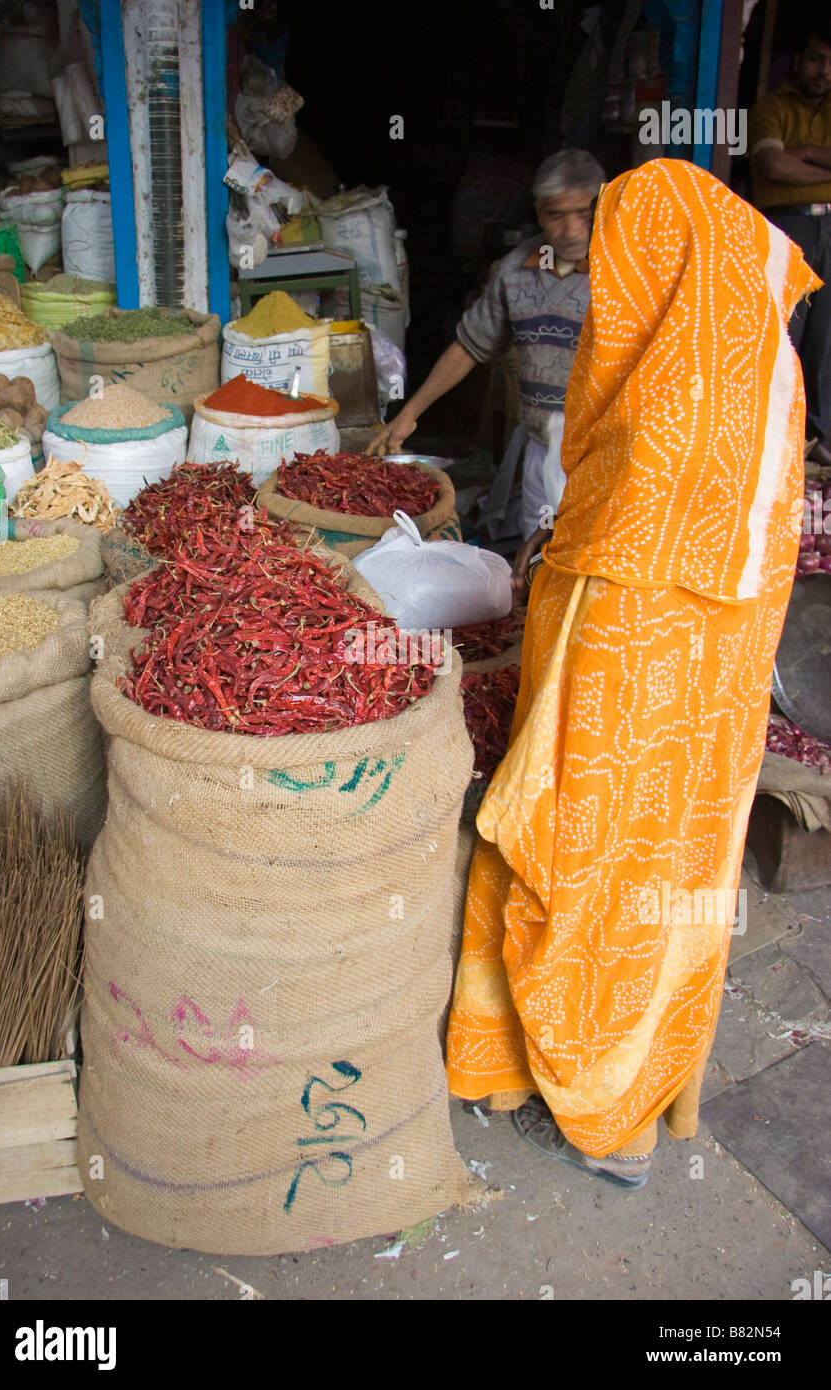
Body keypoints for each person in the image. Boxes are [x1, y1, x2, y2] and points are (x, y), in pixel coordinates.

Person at [446, 158, 820, 1189]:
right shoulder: (757, 381)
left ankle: (592, 1109)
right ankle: (647, 1088)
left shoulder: (660, 421)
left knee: (574, 854)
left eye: (618, 267)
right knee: (678, 876)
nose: (606, 293)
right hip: (707, 733)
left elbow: (609, 580)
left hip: (623, 702)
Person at [368, 149, 604, 549]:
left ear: (602, 207)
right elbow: (470, 344)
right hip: (544, 449)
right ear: (538, 212)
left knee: (599, 566)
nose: (570, 229)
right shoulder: (516, 270)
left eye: (583, 214)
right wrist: (410, 413)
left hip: (607, 455)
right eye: (556, 215)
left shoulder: (628, 269)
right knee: (540, 563)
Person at [748, 19, 831, 464]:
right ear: (798, 60)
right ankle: (770, 438)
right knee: (781, 336)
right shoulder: (771, 108)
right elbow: (774, 168)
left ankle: (820, 443)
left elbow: (788, 164)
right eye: (817, 59)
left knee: (827, 340)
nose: (824, 71)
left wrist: (808, 153)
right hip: (787, 227)